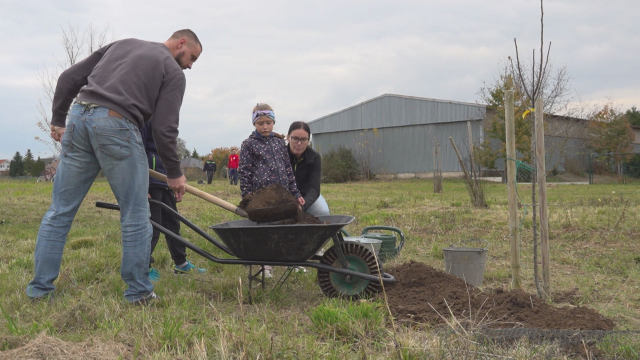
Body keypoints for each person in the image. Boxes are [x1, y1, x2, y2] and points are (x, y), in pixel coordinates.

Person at [26, 30, 202, 305]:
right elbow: (164, 129)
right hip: (117, 123)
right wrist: (175, 173)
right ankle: (139, 292)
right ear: (181, 43)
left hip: (78, 118)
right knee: (135, 214)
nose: (191, 65)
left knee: (59, 211)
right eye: (192, 57)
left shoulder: (123, 44)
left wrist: (58, 119)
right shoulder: (173, 71)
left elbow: (69, 78)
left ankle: (39, 291)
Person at [239, 103, 304, 278]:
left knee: (288, 226)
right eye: (261, 123)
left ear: (273, 122)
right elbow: (244, 171)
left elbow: (288, 169)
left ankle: (292, 261)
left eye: (268, 122)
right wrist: (246, 194)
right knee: (266, 229)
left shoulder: (279, 143)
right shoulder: (248, 145)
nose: (265, 126)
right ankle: (266, 265)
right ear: (254, 124)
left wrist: (296, 194)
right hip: (263, 196)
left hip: (283, 193)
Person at [142, 119, 206, 282]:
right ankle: (143, 268)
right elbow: (137, 152)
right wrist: (142, 184)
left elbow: (171, 152)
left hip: (166, 183)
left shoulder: (166, 119)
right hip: (150, 183)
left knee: (173, 225)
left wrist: (176, 181)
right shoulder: (145, 118)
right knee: (152, 228)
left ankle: (181, 264)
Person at [287, 121, 330, 216]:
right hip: (286, 198)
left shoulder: (314, 157)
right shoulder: (280, 156)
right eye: (295, 139)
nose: (299, 143)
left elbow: (314, 188)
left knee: (323, 212)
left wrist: (302, 206)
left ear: (308, 140)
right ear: (288, 138)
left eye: (303, 139)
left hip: (306, 197)